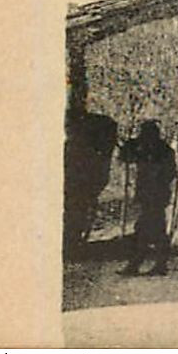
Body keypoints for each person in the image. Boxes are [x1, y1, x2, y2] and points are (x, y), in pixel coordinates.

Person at [63, 79, 119, 256]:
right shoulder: (99, 124)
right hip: (84, 177)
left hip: (83, 177)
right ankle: (74, 239)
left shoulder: (97, 125)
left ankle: (74, 241)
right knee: (78, 207)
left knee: (78, 207)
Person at [118, 120, 177, 276]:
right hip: (151, 196)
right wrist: (129, 144)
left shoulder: (161, 151)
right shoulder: (152, 149)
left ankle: (139, 264)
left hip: (155, 196)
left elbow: (170, 173)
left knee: (145, 229)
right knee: (154, 230)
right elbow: (126, 157)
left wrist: (155, 181)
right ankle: (155, 265)